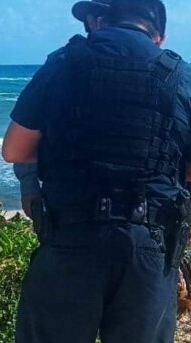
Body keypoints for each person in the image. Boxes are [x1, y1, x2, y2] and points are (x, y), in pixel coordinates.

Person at [1, 0, 191, 343]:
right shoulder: (176, 73)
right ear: (159, 33)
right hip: (146, 250)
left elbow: (15, 150)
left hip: (70, 244)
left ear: (102, 21)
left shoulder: (64, 64)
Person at [13, 0, 114, 218]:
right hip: (83, 196)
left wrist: (29, 187)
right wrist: (29, 186)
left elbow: (19, 142)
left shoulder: (62, 62)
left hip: (74, 200)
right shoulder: (62, 63)